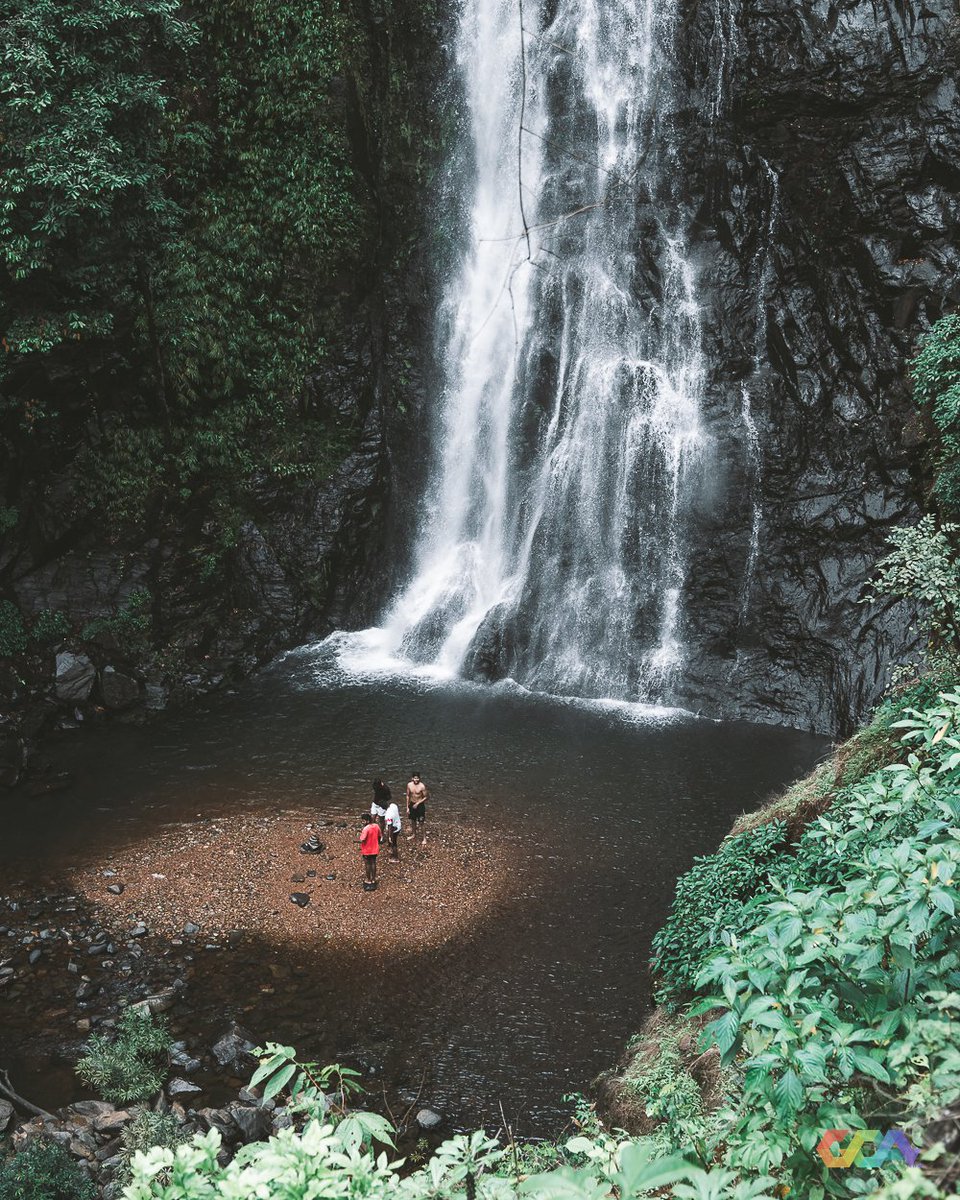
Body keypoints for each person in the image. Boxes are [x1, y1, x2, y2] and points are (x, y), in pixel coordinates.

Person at [359, 811, 381, 885]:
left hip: (367, 850)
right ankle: (373, 879)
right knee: (373, 863)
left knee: (367, 864)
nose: (362, 822)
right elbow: (379, 836)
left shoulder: (366, 829)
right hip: (375, 849)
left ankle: (368, 879)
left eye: (363, 821)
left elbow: (362, 839)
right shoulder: (376, 826)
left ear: (367, 821)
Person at [406, 772, 428, 844]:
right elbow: (408, 796)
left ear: (419, 778)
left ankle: (424, 838)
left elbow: (426, 797)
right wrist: (407, 807)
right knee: (413, 820)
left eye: (417, 778)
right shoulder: (409, 785)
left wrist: (418, 803)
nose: (416, 779)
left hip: (420, 805)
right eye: (415, 778)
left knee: (421, 822)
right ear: (412, 778)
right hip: (412, 804)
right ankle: (414, 834)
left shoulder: (422, 786)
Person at [382, 796, 402, 861]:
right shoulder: (393, 805)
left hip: (394, 829)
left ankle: (396, 858)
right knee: (393, 843)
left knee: (394, 843)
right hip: (398, 825)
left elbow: (390, 826)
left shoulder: (388, 815)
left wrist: (389, 836)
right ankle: (392, 853)